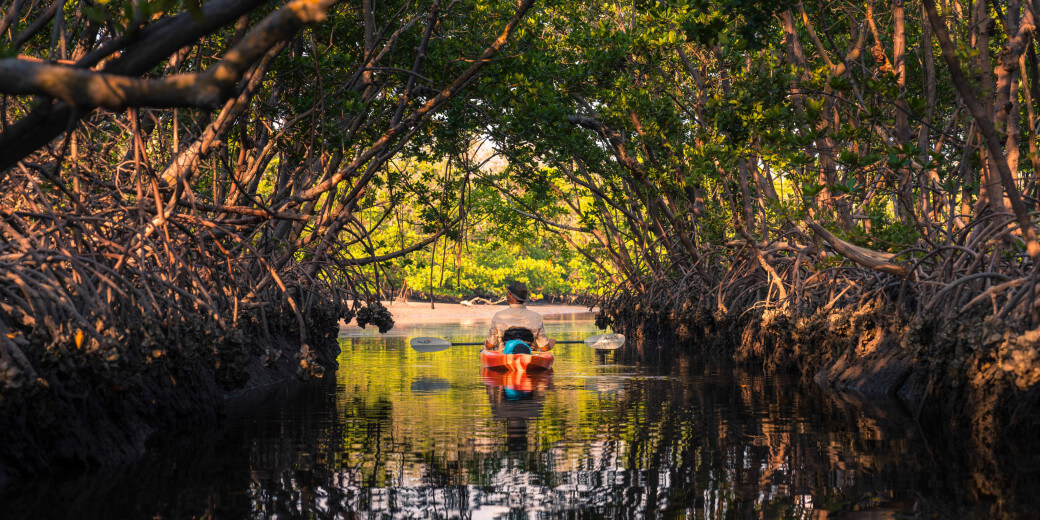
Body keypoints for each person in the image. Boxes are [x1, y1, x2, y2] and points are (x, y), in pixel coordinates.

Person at [484, 281, 557, 352]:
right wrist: (552, 342)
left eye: (508, 293)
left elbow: (490, 345)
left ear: (512, 296)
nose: (507, 295)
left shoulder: (499, 316)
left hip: (505, 354)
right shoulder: (536, 317)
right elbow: (544, 347)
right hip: (528, 354)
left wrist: (486, 343)